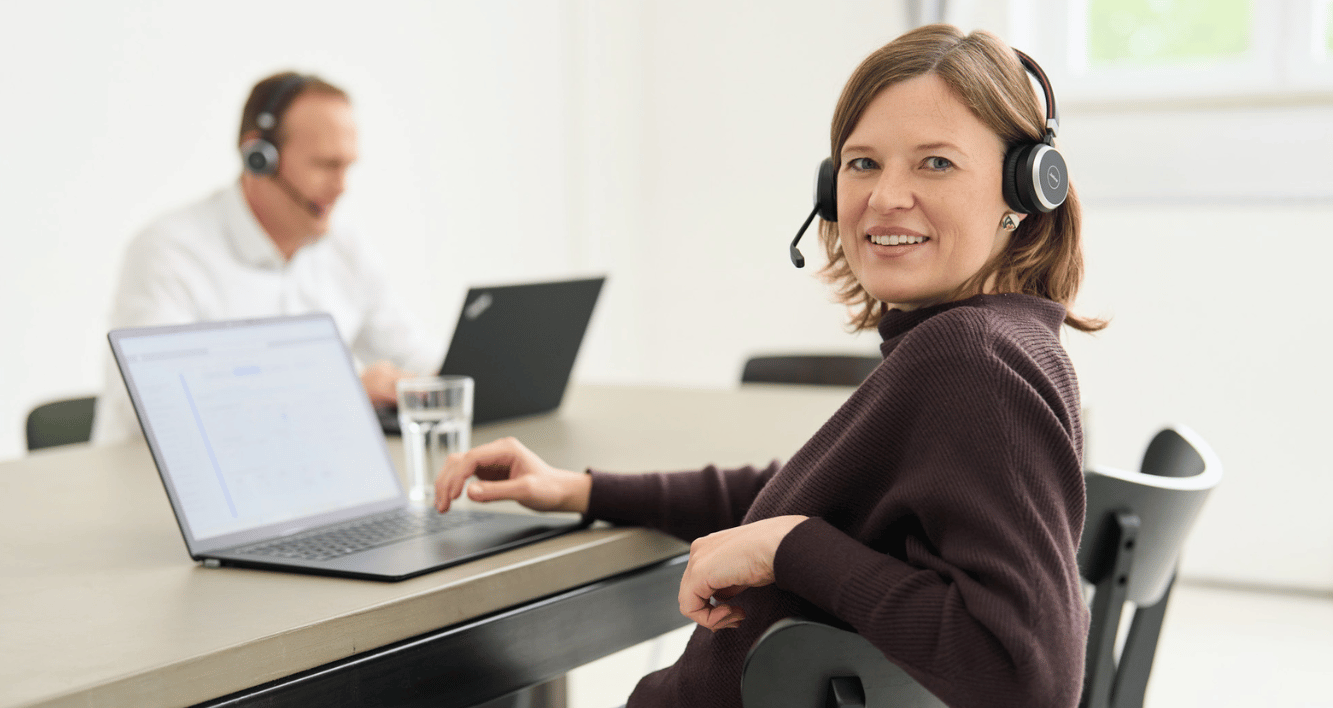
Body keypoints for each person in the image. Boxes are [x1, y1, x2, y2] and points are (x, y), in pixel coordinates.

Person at [437, 24, 1103, 708]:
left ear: (1024, 189)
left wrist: (788, 548)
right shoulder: (977, 345)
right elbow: (805, 494)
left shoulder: (975, 364)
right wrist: (579, 490)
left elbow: (1031, 677)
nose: (884, 197)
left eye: (936, 163)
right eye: (862, 163)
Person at [92, 72, 441, 444]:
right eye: (325, 165)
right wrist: (342, 393)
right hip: (155, 488)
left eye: (347, 166)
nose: (341, 187)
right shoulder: (169, 252)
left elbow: (416, 358)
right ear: (258, 157)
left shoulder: (346, 249)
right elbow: (162, 404)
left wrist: (449, 381)